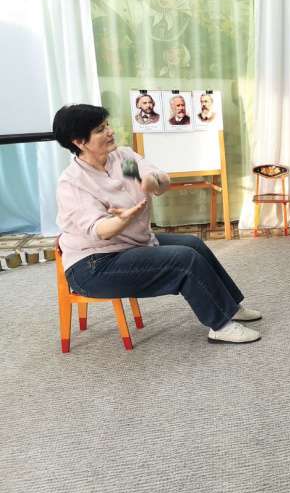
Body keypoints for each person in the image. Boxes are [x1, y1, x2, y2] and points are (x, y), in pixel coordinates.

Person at [53, 104, 261, 344]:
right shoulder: (73, 183)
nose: (110, 131)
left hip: (129, 244)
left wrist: (154, 181)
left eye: (107, 125)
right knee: (184, 259)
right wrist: (123, 219)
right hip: (94, 266)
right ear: (79, 142)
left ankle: (230, 307)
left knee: (193, 244)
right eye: (100, 130)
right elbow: (100, 230)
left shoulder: (121, 160)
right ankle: (220, 325)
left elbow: (156, 178)